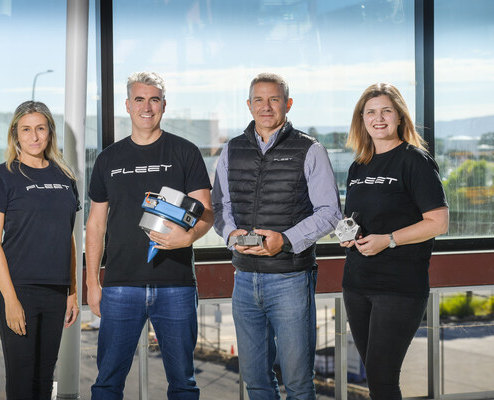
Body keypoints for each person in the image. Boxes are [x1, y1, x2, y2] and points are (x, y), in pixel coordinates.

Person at [212, 72, 341, 399]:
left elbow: (330, 212)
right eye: (259, 99)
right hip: (244, 279)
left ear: (288, 103)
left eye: (274, 99)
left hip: (291, 279)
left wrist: (284, 240)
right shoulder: (231, 149)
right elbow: (219, 206)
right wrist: (230, 234)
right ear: (249, 104)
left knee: (298, 384)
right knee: (256, 382)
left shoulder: (310, 149)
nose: (266, 106)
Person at [86, 71, 213, 399]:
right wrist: (92, 283)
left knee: (183, 384)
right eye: (139, 100)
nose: (147, 107)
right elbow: (96, 225)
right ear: (127, 105)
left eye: (154, 100)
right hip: (120, 286)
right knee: (106, 384)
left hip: (176, 285)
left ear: (164, 105)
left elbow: (206, 213)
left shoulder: (185, 152)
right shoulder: (108, 159)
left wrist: (188, 238)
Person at [340, 83, 449, 399]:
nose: (378, 118)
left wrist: (388, 240)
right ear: (362, 119)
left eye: (386, 111)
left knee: (383, 379)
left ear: (399, 117)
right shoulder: (358, 165)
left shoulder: (415, 161)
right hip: (357, 284)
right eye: (370, 112)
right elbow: (358, 218)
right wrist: (349, 236)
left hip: (399, 287)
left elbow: (438, 222)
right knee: (375, 379)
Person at [0, 101, 81, 399]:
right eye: (26, 130)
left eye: (40, 128)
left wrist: (73, 291)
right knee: (22, 380)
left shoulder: (65, 177)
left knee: (44, 377)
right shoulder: (2, 176)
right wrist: (10, 300)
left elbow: (68, 237)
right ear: (15, 134)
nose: (34, 136)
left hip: (56, 291)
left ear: (50, 132)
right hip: (19, 289)